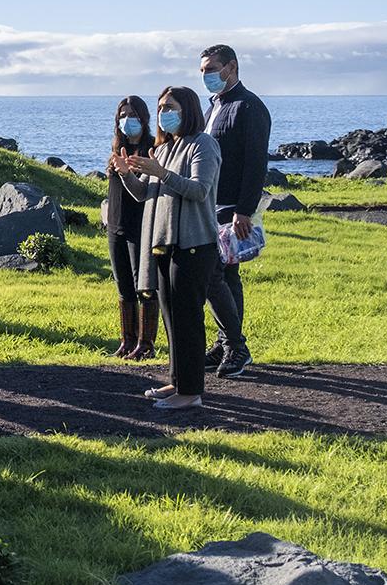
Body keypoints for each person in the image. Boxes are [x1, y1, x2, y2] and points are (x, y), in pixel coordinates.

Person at [114, 86, 222, 411]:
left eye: (169, 106)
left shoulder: (203, 145)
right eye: (161, 107)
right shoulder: (162, 150)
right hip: (164, 245)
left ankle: (191, 392)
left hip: (193, 244)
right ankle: (178, 380)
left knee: (188, 319)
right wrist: (125, 174)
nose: (163, 113)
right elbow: (144, 195)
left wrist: (162, 174)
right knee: (171, 317)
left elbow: (199, 190)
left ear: (187, 110)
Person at [200, 45, 272, 379]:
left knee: (213, 273)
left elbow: (256, 163)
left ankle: (236, 346)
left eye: (211, 69)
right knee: (227, 275)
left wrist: (244, 210)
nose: (206, 76)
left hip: (232, 208)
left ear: (232, 67)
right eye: (202, 71)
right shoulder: (213, 105)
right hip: (208, 205)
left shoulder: (249, 107)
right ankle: (224, 344)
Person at [105, 96, 156, 359]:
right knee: (123, 285)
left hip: (141, 226)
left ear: (144, 118)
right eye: (123, 115)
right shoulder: (117, 148)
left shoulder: (152, 149)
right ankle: (127, 340)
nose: (127, 120)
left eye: (132, 114)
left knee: (144, 285)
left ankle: (146, 343)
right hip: (115, 224)